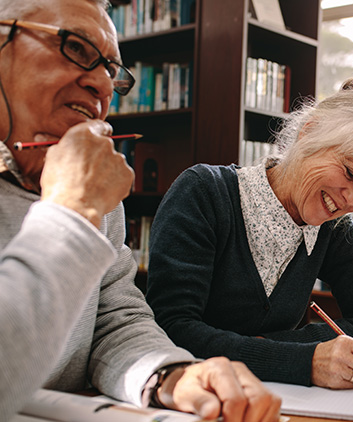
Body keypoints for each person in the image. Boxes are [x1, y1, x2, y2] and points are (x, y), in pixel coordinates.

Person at [0, 1, 282, 421]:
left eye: (113, 71)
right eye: (76, 47)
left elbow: (114, 319)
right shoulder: (81, 198)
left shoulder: (93, 188)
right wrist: (72, 214)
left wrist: (169, 375)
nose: (103, 84)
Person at [146, 78, 353, 390]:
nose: (351, 200)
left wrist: (276, 347)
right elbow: (171, 330)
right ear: (310, 132)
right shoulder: (202, 192)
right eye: (350, 173)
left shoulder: (333, 228)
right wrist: (301, 359)